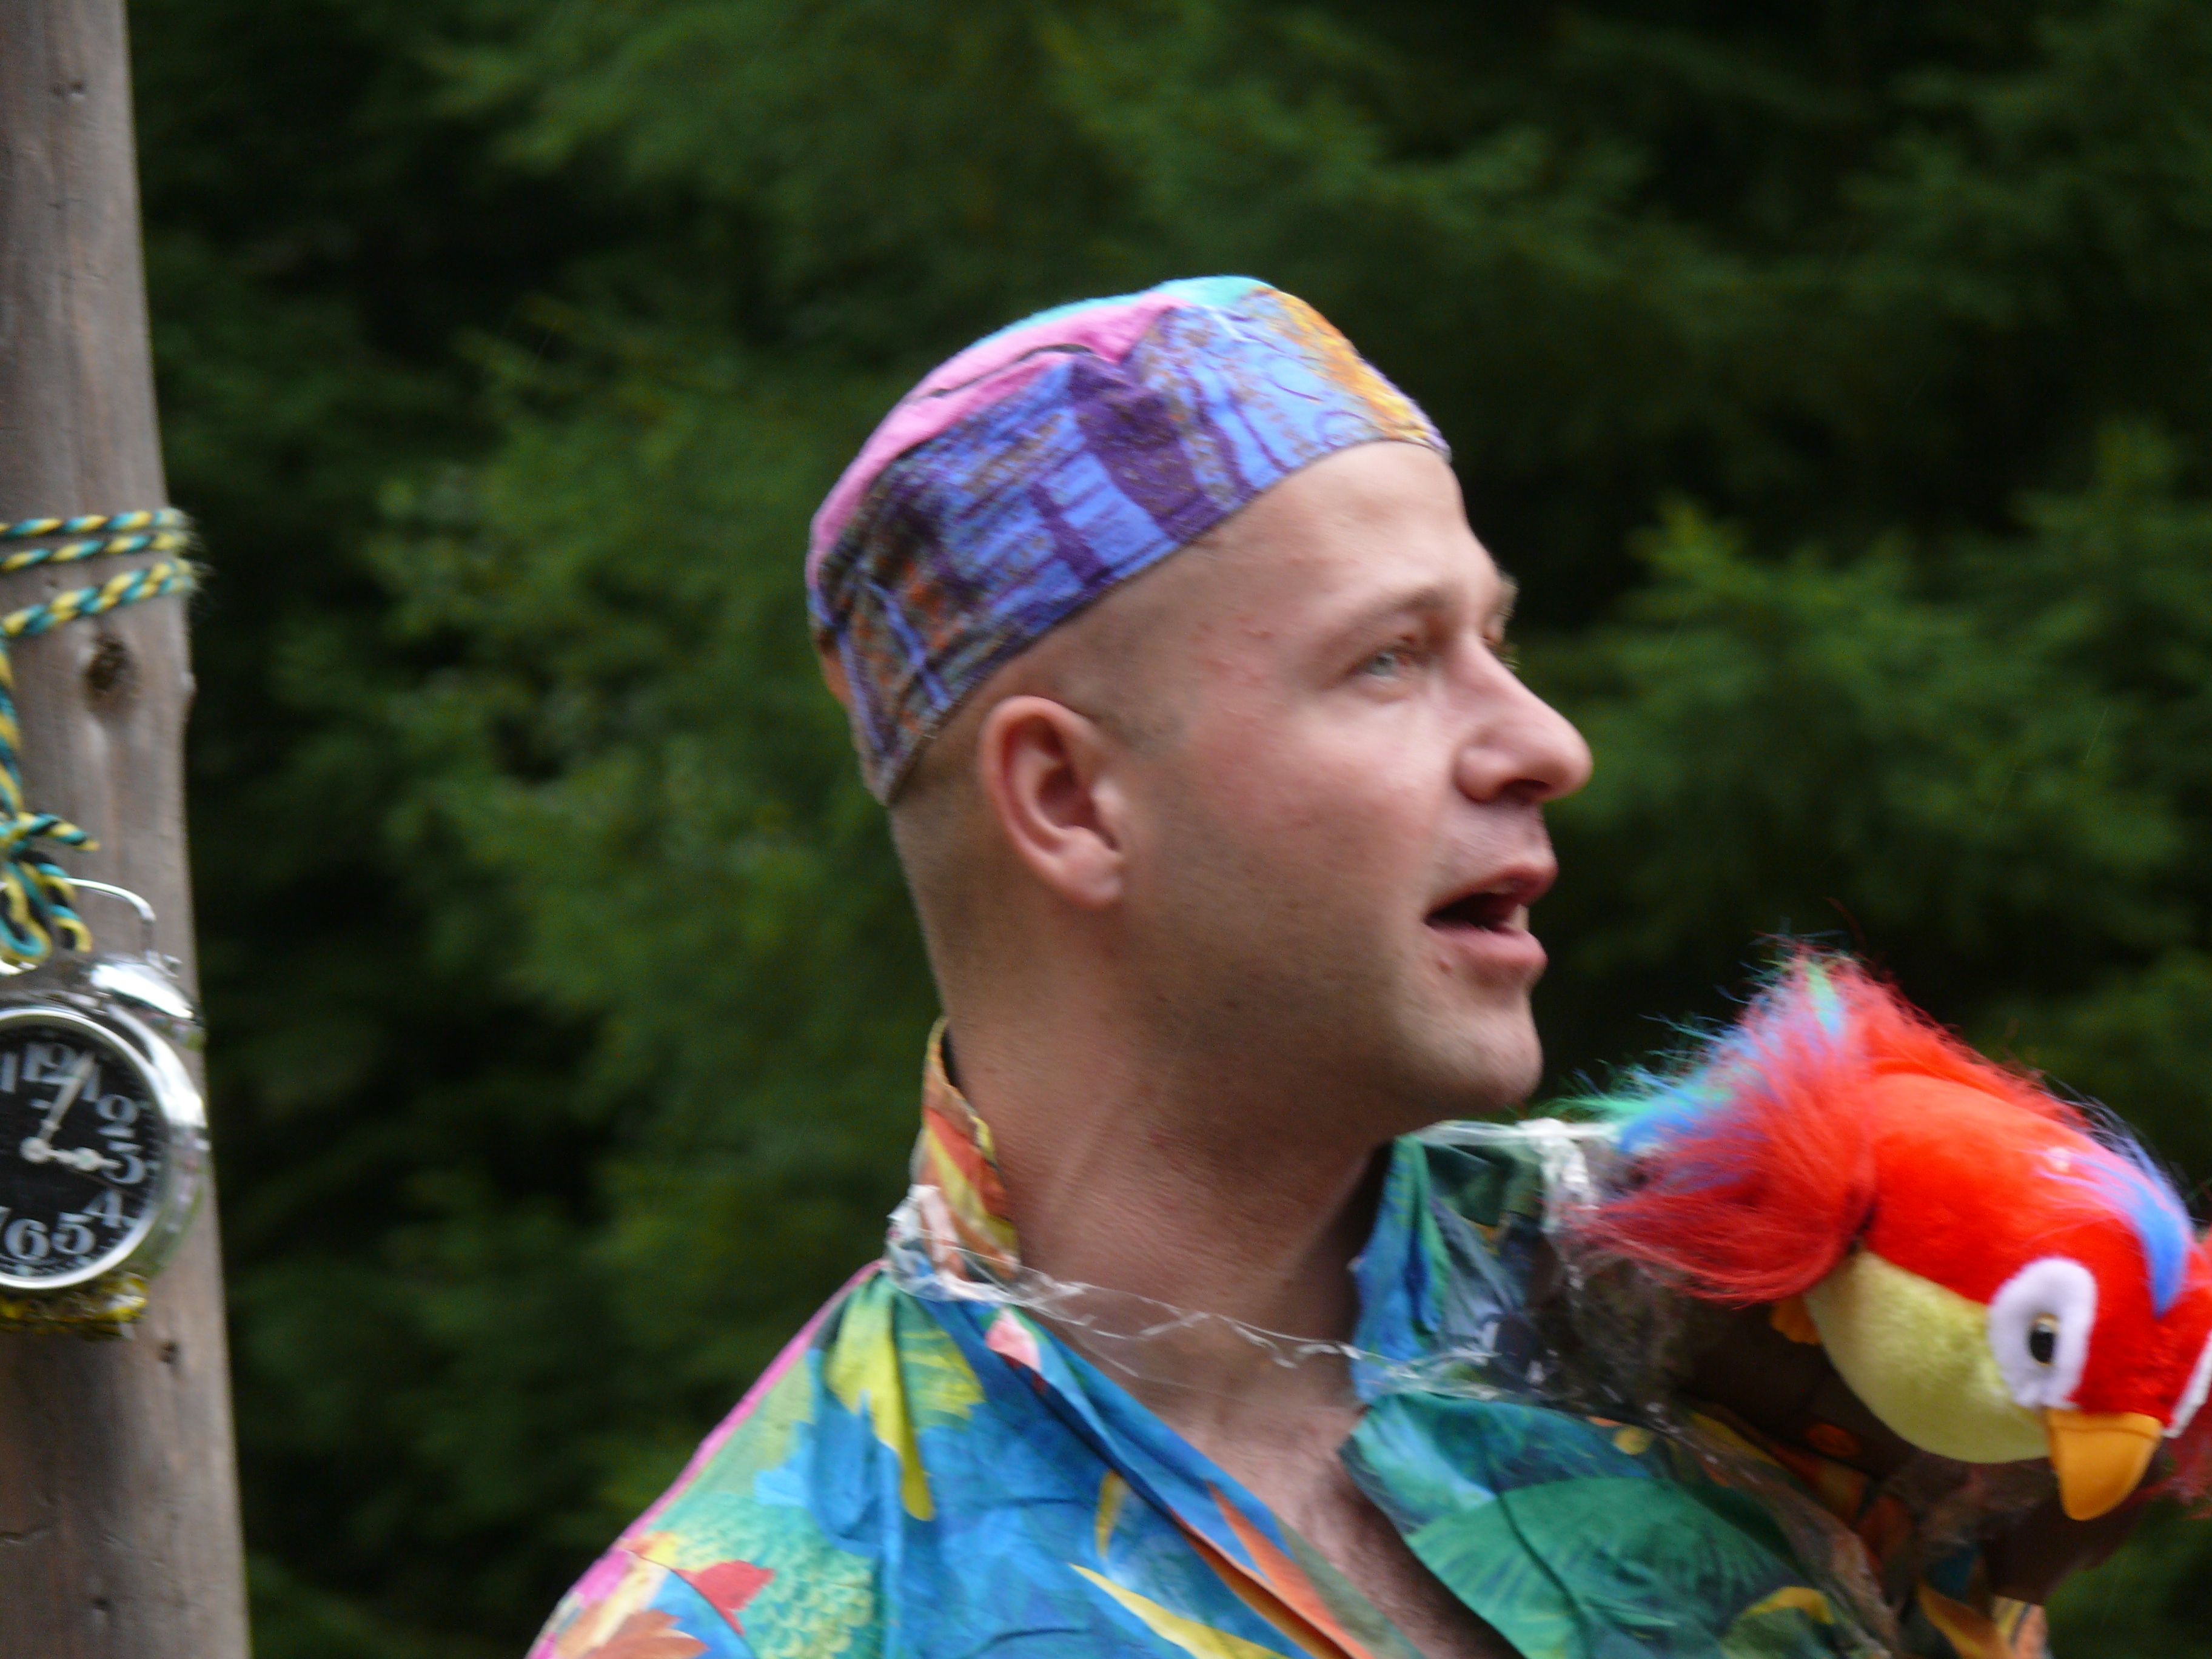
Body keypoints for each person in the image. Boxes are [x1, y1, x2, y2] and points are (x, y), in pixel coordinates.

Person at [528, 278, 2127, 1659]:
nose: (1545, 743)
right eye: (1391, 659)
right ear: (1069, 799)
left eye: (1498, 642)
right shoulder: (773, 1612)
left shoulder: (1756, 1307)